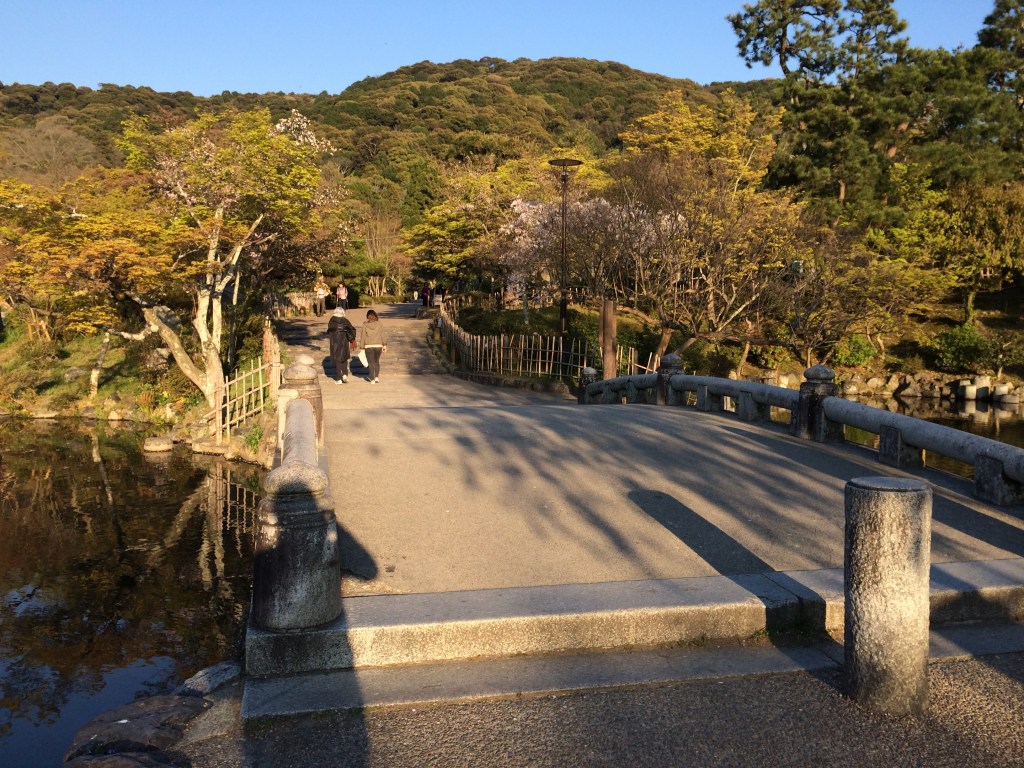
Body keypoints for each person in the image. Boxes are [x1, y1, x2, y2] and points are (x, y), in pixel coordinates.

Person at [327, 307, 357, 384]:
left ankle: (338, 378)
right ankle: (345, 374)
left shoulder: (331, 321)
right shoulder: (345, 321)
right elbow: (352, 330)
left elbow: (329, 331)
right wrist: (351, 339)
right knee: (344, 358)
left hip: (334, 343)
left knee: (337, 360)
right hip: (344, 342)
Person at [359, 309, 387, 383]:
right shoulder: (379, 324)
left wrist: (362, 347)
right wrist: (384, 345)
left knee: (371, 362)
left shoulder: (365, 325)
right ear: (375, 315)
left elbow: (363, 336)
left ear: (367, 316)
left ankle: (372, 379)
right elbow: (382, 334)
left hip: (368, 346)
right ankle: (377, 377)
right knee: (376, 361)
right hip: (378, 345)